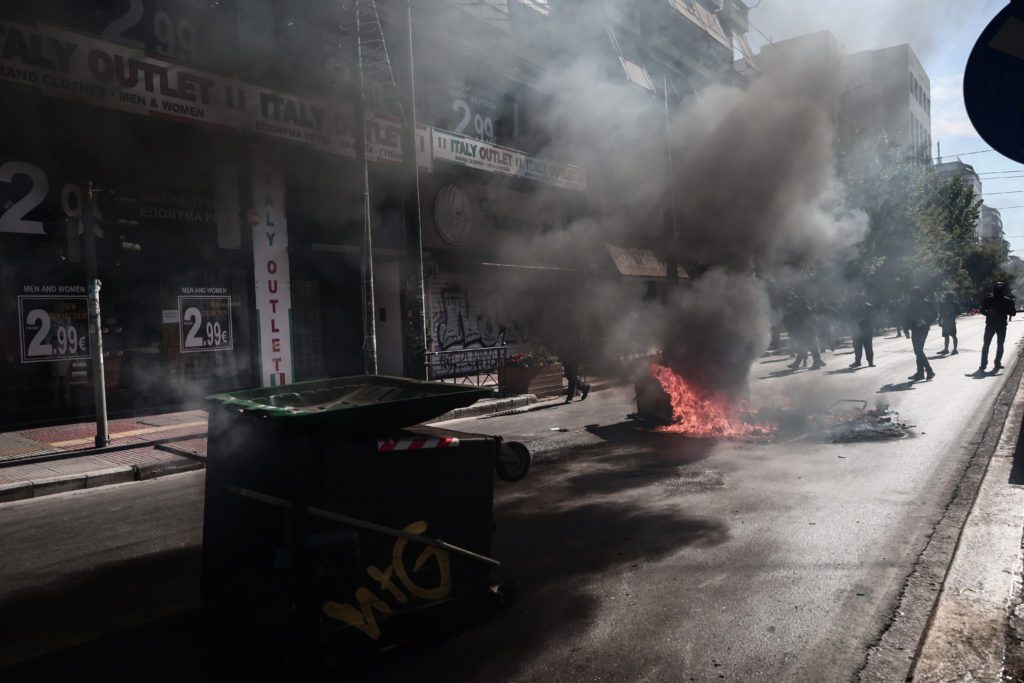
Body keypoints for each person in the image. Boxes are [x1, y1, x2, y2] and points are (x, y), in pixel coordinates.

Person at [979, 282, 1017, 373]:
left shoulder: (989, 299)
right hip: (1001, 325)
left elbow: (982, 310)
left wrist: (989, 313)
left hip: (991, 325)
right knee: (999, 344)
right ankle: (997, 363)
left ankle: (984, 364)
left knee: (987, 344)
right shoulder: (1007, 300)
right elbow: (1013, 313)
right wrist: (1010, 306)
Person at [784, 294, 823, 370]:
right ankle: (797, 364)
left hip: (808, 332)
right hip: (803, 333)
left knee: (813, 348)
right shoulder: (800, 310)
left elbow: (814, 320)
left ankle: (816, 364)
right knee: (801, 348)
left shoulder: (807, 310)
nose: (796, 304)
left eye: (798, 302)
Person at [904, 287, 936, 381]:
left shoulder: (926, 304)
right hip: (915, 329)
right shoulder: (910, 305)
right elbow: (906, 318)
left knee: (918, 351)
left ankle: (929, 370)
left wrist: (925, 321)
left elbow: (935, 314)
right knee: (918, 351)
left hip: (923, 329)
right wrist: (906, 330)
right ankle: (920, 373)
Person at [848, 294, 875, 368]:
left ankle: (867, 361)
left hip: (865, 330)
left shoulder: (868, 307)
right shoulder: (867, 307)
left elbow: (871, 318)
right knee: (860, 347)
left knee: (864, 347)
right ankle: (862, 361)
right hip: (860, 330)